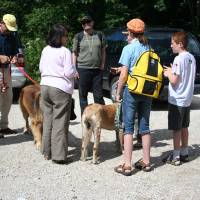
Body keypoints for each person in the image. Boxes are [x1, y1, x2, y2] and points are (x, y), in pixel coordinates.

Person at [114, 18, 152, 176]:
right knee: (145, 127)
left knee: (128, 127)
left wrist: (118, 92)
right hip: (147, 91)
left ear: (130, 32)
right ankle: (147, 162)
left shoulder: (128, 48)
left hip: (132, 90)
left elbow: (124, 74)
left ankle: (127, 164)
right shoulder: (148, 47)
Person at [39, 24, 77, 164]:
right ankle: (59, 156)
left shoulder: (45, 50)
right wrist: (75, 72)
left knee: (48, 120)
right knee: (60, 122)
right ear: (59, 37)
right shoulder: (65, 52)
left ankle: (46, 152)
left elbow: (41, 68)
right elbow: (68, 72)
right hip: (60, 89)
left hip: (45, 86)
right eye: (65, 35)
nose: (67, 38)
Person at [163, 31, 196, 166]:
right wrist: (173, 71)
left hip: (177, 100)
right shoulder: (191, 58)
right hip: (187, 98)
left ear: (180, 44)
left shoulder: (178, 59)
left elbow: (174, 80)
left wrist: (167, 73)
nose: (171, 46)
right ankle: (185, 153)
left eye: (173, 43)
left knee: (176, 128)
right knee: (184, 127)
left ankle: (175, 156)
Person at [72, 15, 107, 114]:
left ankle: (103, 117)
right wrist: (74, 69)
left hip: (97, 70)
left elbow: (104, 51)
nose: (86, 24)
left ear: (92, 22)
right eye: (83, 23)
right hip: (82, 69)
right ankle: (85, 118)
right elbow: (74, 53)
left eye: (88, 21)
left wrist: (103, 64)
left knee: (98, 96)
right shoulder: (78, 36)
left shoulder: (100, 35)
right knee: (83, 96)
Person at [0, 14, 20, 137]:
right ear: (1, 23)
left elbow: (15, 52)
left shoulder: (12, 36)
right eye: (7, 28)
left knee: (8, 97)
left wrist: (14, 58)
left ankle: (3, 126)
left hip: (6, 70)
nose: (9, 31)